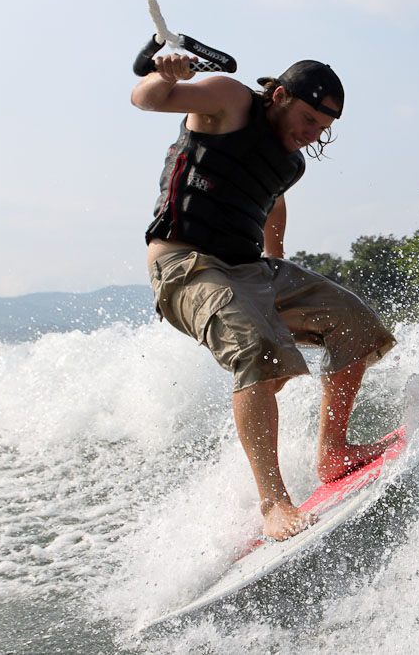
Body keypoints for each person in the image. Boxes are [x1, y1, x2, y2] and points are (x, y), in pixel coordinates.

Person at [131, 53, 398, 541]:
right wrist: (163, 74)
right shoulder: (230, 101)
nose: (313, 134)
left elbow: (273, 202)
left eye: (324, 127)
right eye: (309, 119)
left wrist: (277, 272)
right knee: (257, 348)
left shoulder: (290, 161)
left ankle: (333, 451)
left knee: (356, 323)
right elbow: (145, 99)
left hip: (248, 270)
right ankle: (274, 503)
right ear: (279, 96)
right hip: (185, 266)